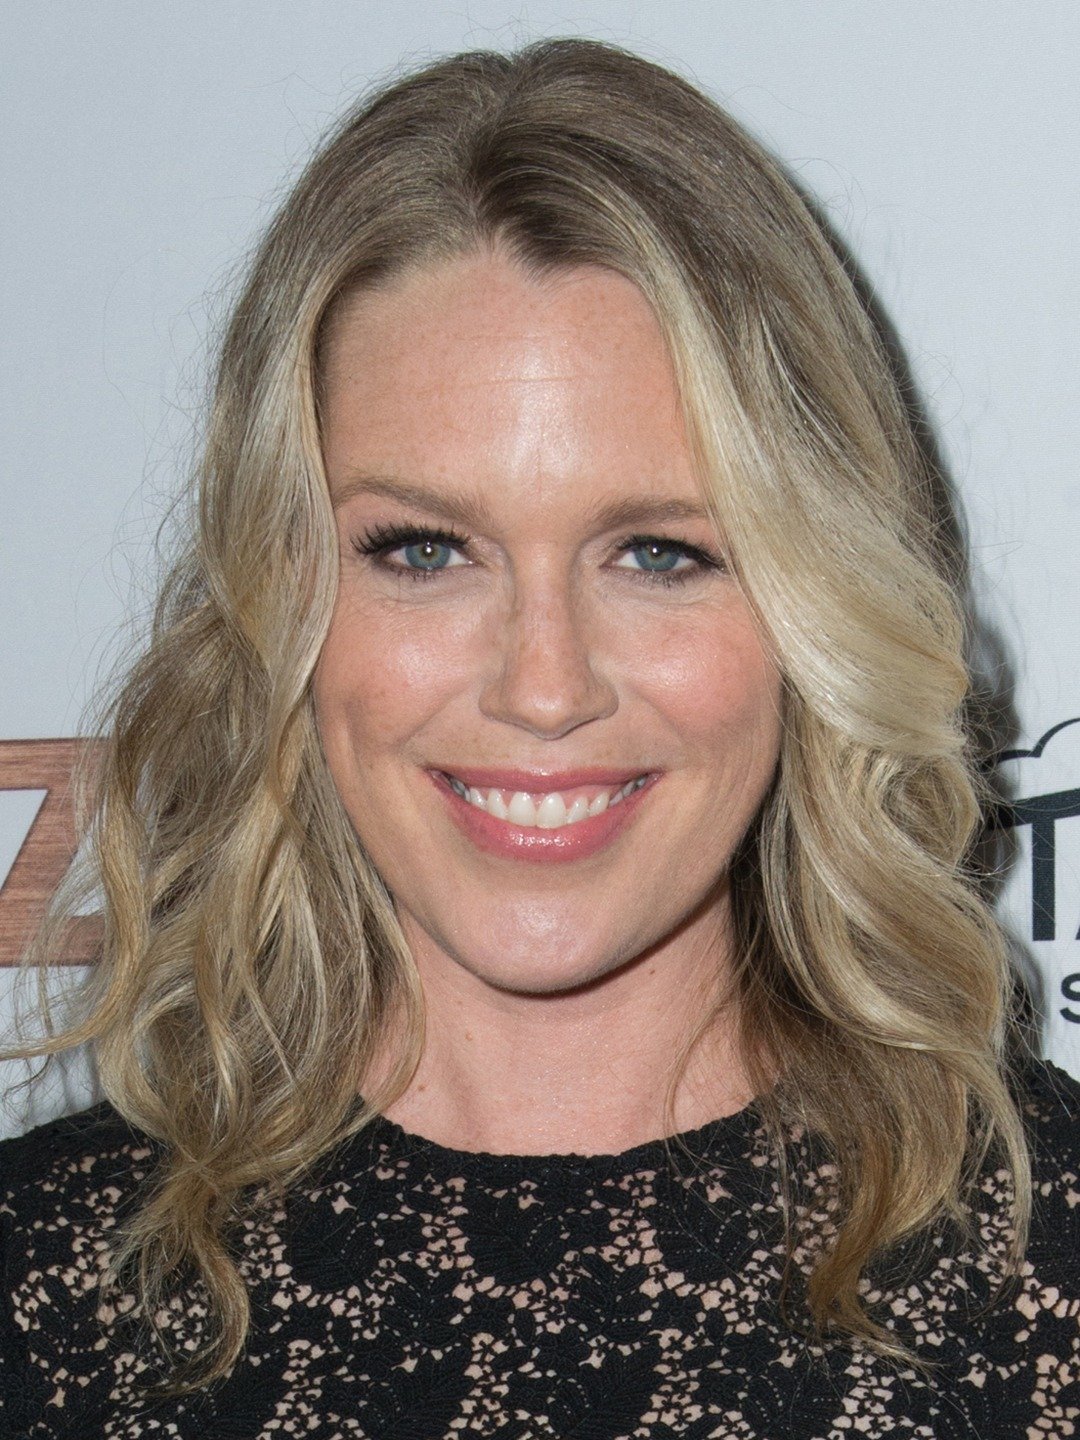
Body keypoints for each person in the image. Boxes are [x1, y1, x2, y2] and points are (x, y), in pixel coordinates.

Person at [1, 37, 1077, 1439]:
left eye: (660, 554)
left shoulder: (1048, 1278)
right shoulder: (43, 1291)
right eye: (426, 549)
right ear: (280, 595)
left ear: (815, 606)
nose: (544, 685)